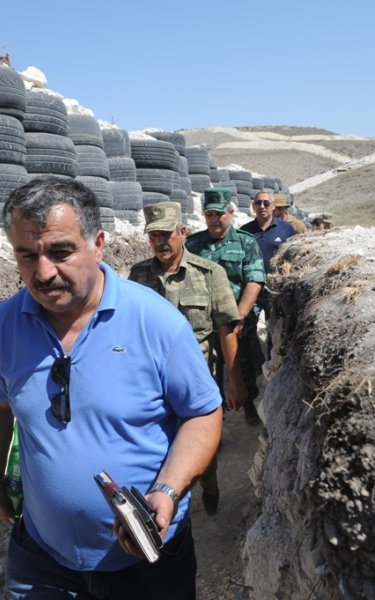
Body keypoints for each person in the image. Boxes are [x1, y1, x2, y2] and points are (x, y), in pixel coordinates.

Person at [0, 177, 223, 599]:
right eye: (26, 255)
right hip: (41, 560)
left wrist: (166, 491)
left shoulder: (155, 323)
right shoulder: (4, 327)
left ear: (98, 244)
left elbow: (202, 413)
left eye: (60, 252)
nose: (43, 272)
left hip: (145, 562)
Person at [128, 201, 246, 515]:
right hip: (150, 382)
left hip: (197, 382)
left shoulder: (210, 274)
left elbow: (227, 330)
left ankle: (209, 483)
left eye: (166, 233)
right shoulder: (138, 276)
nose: (159, 241)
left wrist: (235, 381)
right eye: (153, 235)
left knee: (199, 449)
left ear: (182, 233)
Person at [186, 187, 266, 426]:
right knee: (207, 372)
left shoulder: (244, 243)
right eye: (210, 215)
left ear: (230, 213)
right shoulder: (192, 245)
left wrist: (239, 316)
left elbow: (254, 279)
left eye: (219, 214)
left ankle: (249, 404)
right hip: (203, 323)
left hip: (236, 321)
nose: (215, 220)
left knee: (242, 366)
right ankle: (214, 419)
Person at [241, 190, 298, 363]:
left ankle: (274, 364)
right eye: (258, 203)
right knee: (247, 330)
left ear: (273, 207)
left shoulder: (286, 229)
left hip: (275, 291)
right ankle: (256, 365)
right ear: (253, 207)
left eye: (266, 203)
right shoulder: (244, 232)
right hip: (251, 290)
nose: (262, 206)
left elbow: (295, 258)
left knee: (274, 328)